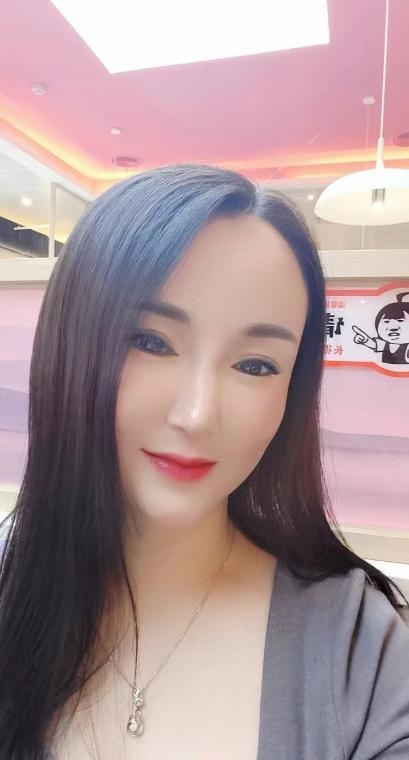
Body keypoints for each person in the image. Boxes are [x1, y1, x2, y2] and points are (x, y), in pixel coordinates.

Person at [0, 164, 408, 760]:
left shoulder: (359, 655)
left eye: (256, 365)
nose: (197, 415)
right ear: (71, 344)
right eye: (152, 342)